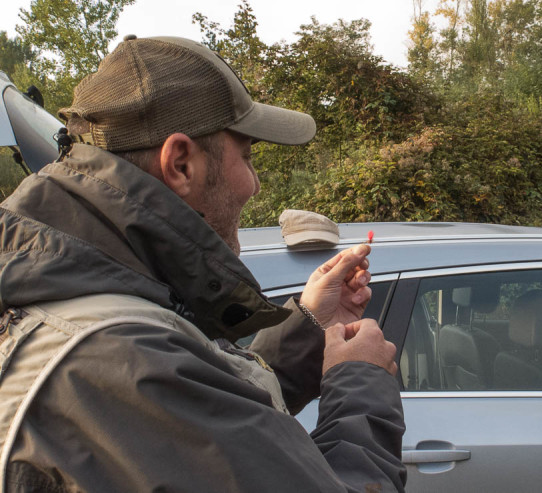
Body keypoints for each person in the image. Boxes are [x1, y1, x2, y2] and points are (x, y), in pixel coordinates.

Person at [0, 35, 405, 492]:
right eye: (247, 157)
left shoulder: (95, 303)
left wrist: (310, 325)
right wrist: (359, 383)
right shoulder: (116, 360)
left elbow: (211, 423)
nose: (253, 185)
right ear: (181, 165)